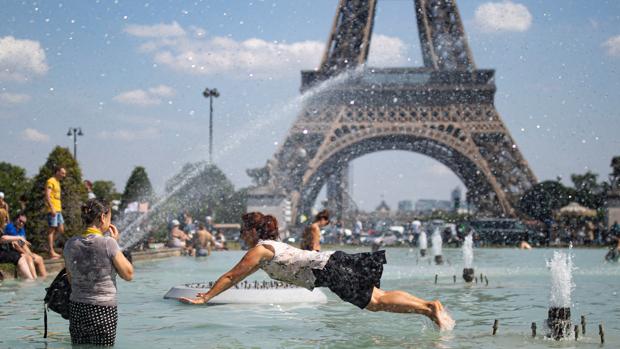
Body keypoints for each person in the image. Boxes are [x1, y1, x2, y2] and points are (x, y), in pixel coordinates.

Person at [180, 213, 454, 330]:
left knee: (376, 303)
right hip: (330, 263)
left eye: (243, 231)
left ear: (254, 231)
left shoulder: (260, 250)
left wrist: (205, 298)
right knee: (378, 297)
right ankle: (429, 306)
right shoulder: (269, 246)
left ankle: (429, 308)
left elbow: (231, 276)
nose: (241, 235)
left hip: (328, 269)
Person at [63, 198, 133, 346]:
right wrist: (116, 243)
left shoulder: (70, 244)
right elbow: (128, 274)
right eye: (109, 217)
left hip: (77, 309)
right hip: (103, 309)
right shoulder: (109, 243)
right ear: (102, 217)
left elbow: (71, 279)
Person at [4, 212, 47, 277]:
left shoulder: (22, 229)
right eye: (20, 221)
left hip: (21, 251)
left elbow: (23, 244)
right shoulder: (10, 227)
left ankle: (45, 280)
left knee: (39, 258)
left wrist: (30, 253)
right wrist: (28, 254)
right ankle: (34, 279)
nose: (21, 223)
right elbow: (16, 245)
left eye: (23, 222)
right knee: (29, 258)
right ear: (16, 219)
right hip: (13, 252)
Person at [46, 166, 66, 259]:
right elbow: (47, 195)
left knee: (61, 229)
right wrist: (52, 208)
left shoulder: (57, 182)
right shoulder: (51, 181)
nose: (64, 175)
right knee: (52, 230)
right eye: (62, 173)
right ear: (57, 172)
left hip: (58, 209)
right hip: (53, 209)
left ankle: (50, 247)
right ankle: (51, 251)